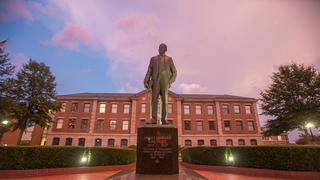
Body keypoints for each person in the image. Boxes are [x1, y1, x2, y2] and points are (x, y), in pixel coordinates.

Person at [144, 43, 177, 124]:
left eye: (162, 48)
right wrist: (146, 80)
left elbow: (174, 72)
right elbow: (149, 70)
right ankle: (154, 119)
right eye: (159, 47)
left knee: (164, 101)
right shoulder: (153, 59)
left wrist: (170, 82)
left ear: (165, 49)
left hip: (165, 82)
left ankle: (163, 119)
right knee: (154, 100)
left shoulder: (169, 59)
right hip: (155, 81)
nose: (160, 49)